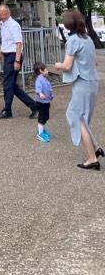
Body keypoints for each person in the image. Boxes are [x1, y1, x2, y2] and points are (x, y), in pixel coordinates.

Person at [54, 9, 103, 170]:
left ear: (69, 23)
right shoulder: (87, 38)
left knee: (76, 116)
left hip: (82, 83)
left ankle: (92, 158)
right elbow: (94, 62)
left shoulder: (73, 40)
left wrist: (57, 65)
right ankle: (96, 149)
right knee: (83, 117)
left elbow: (67, 66)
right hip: (92, 82)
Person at [0, 4, 37, 119]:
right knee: (12, 85)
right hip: (8, 55)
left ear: (8, 13)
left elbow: (19, 43)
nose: (2, 16)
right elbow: (5, 41)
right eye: (0, 14)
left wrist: (17, 61)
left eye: (4, 14)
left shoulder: (13, 25)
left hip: (14, 56)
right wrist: (0, 52)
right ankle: (34, 106)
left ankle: (7, 110)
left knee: (8, 84)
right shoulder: (3, 24)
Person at [33, 61, 53, 143]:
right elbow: (38, 88)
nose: (47, 70)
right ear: (41, 71)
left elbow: (49, 88)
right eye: (45, 69)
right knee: (42, 118)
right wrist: (40, 93)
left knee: (45, 117)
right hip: (41, 102)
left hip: (46, 101)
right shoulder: (39, 79)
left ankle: (43, 131)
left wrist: (51, 96)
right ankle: (40, 134)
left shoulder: (45, 78)